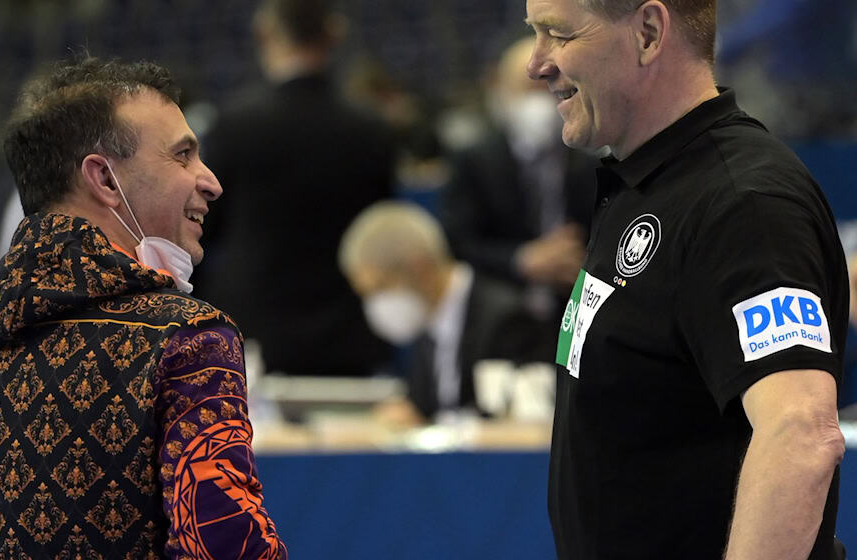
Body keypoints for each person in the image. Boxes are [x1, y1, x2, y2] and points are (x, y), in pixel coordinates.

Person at [0, 57, 286, 559]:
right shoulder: (187, 341)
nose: (211, 180)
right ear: (105, 180)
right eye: (183, 156)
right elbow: (225, 545)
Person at [524, 0, 849, 558]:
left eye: (558, 33)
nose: (537, 63)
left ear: (649, 33)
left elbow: (800, 433)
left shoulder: (743, 204)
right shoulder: (645, 185)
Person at [195, 0, 395, 377]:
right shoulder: (372, 128)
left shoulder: (237, 124)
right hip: (347, 334)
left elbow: (205, 228)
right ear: (334, 35)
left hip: (252, 333)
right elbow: (376, 233)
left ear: (266, 34)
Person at [439, 35, 596, 358]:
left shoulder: (591, 162)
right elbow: (457, 245)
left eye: (549, 84)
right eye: (529, 86)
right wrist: (521, 260)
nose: (539, 98)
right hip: (498, 325)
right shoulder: (475, 160)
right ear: (504, 93)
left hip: (573, 324)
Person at [338, 201, 546, 423]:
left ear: (420, 267)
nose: (376, 304)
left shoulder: (507, 319)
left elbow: (521, 423)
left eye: (380, 288)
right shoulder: (424, 327)